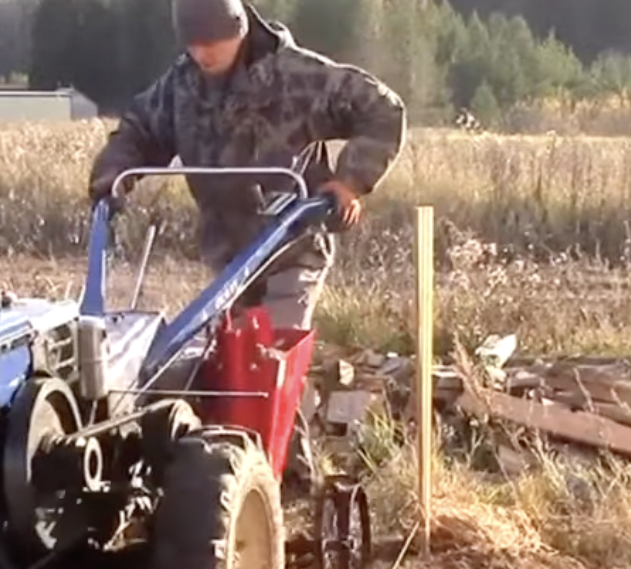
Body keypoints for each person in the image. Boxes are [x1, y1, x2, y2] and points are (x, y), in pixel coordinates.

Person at [88, 0, 407, 333]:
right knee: (226, 362)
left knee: (269, 356)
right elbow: (140, 131)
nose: (202, 54)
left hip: (292, 250)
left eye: (212, 43)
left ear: (238, 28)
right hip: (227, 259)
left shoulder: (296, 77)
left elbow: (383, 109)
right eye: (193, 44)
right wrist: (113, 176)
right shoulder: (180, 87)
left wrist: (349, 181)